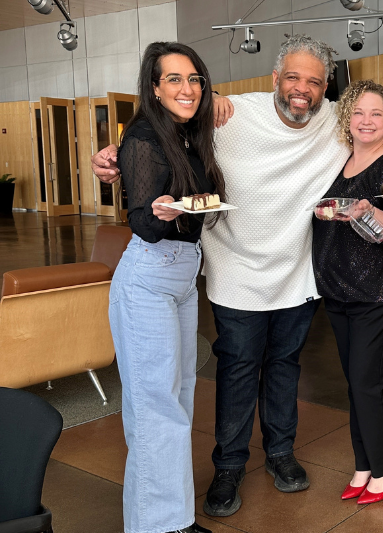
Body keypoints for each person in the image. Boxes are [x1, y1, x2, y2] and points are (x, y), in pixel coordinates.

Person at [93, 35, 352, 517]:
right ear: (275, 78)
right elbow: (158, 136)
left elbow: (381, 125)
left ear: (325, 88)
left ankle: (279, 454)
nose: (302, 89)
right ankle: (229, 466)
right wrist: (116, 153)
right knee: (231, 372)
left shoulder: (336, 123)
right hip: (229, 270)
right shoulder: (227, 113)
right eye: (292, 77)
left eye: (314, 82)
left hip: (293, 273)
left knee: (281, 367)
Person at [108, 41, 225, 533]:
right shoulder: (142, 136)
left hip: (181, 275)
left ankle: (169, 518)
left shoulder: (187, 136)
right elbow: (142, 221)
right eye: (174, 79)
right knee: (156, 408)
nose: (187, 88)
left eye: (194, 78)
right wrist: (163, 212)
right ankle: (160, 526)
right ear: (154, 88)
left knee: (177, 400)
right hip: (149, 277)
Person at [312, 80, 383, 504]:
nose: (367, 121)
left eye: (376, 113)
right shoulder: (340, 163)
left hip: (378, 292)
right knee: (355, 385)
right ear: (348, 121)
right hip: (339, 291)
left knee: (366, 382)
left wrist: (373, 211)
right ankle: (363, 462)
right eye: (359, 113)